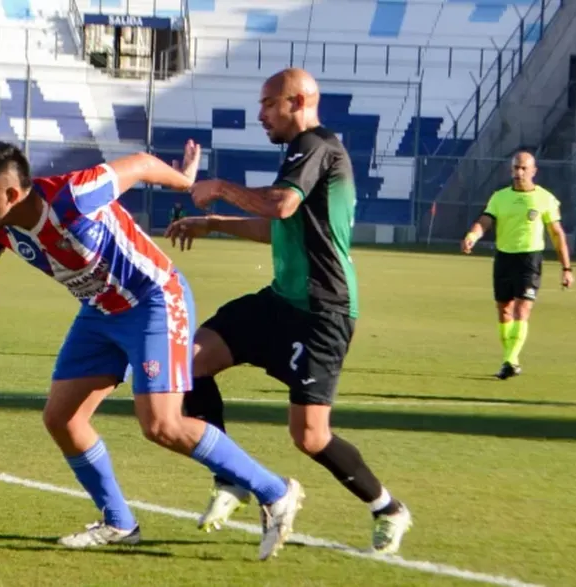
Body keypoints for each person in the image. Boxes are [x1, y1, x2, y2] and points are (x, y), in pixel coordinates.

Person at [0, 140, 305, 560]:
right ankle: (119, 523)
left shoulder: (74, 194)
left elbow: (142, 163)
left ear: (13, 193)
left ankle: (276, 492)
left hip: (154, 300)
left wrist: (185, 181)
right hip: (100, 311)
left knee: (161, 424)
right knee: (62, 419)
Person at [166, 67, 412, 555]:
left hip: (323, 312)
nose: (260, 114)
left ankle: (387, 508)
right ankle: (229, 479)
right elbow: (277, 226)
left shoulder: (317, 145)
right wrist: (213, 223)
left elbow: (278, 207)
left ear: (297, 101)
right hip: (281, 300)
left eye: (268, 104)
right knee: (189, 361)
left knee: (310, 436)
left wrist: (220, 187)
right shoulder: (301, 154)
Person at [461, 150, 573, 379]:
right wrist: (472, 236)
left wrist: (566, 268)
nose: (519, 172)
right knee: (504, 309)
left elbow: (556, 233)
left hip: (529, 259)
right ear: (511, 169)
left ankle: (510, 360)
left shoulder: (545, 198)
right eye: (516, 168)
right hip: (504, 258)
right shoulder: (499, 197)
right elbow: (485, 221)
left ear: (533, 171)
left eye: (524, 168)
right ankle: (511, 360)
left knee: (522, 308)